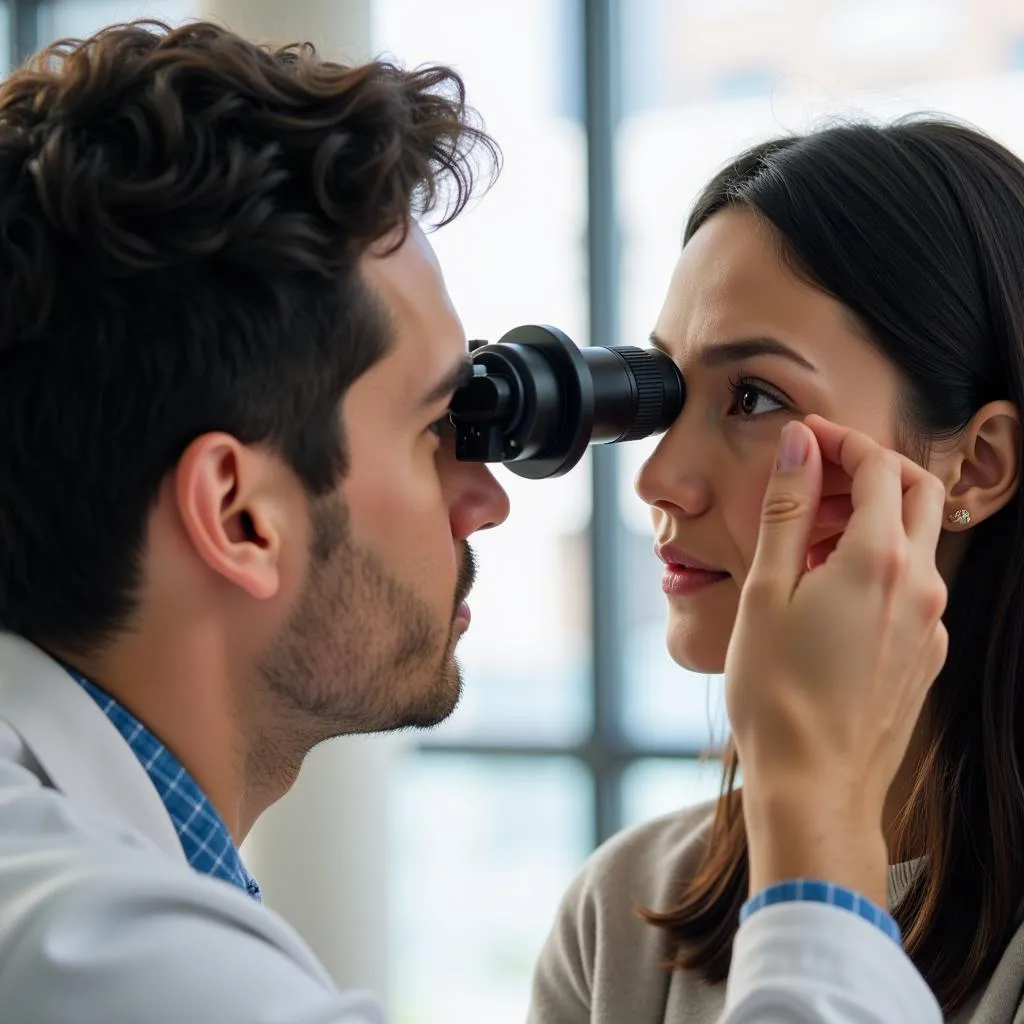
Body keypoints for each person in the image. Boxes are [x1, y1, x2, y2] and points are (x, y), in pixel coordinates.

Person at [0, 21, 946, 1024]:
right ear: (239, 515)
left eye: (752, 398)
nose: (487, 496)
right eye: (430, 431)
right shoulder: (122, 967)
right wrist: (819, 820)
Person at [527, 116, 1024, 1024]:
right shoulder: (620, 915)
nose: (657, 479)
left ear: (978, 465)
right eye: (666, 392)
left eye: (754, 397)